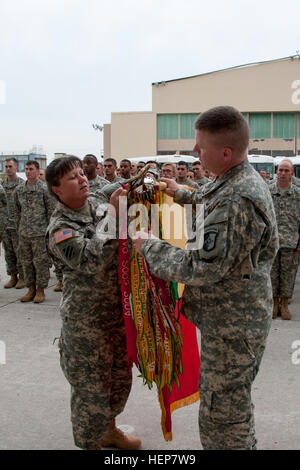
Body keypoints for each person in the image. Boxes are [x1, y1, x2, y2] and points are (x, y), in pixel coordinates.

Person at [133, 106, 278, 450]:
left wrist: (149, 247)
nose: (195, 153)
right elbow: (206, 196)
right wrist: (177, 190)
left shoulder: (237, 198)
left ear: (225, 153)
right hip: (231, 321)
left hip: (233, 328)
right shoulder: (233, 180)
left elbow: (201, 267)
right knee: (232, 407)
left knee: (223, 420)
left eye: (200, 147)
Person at [45, 156, 141, 451]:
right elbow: (91, 259)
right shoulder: (60, 230)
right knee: (91, 393)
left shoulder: (97, 201)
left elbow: (123, 185)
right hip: (87, 326)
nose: (83, 178)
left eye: (81, 173)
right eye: (72, 178)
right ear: (57, 190)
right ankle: (91, 444)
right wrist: (114, 215)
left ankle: (109, 431)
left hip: (117, 316)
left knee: (118, 382)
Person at [14, 160, 53, 303]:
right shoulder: (19, 190)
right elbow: (17, 211)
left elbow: (50, 211)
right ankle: (30, 288)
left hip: (40, 233)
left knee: (40, 262)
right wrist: (19, 229)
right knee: (26, 261)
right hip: (24, 232)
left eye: (31, 169)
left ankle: (40, 290)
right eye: (26, 169)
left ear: (37, 171)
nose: (28, 172)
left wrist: (49, 232)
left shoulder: (44, 189)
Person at [269, 159, 300, 320]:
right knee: (272, 274)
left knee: (288, 274)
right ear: (276, 172)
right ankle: (274, 303)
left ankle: (284, 304)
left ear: (292, 173)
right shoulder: (268, 191)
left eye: (286, 171)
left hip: (291, 242)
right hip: (271, 242)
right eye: (280, 170)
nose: (283, 173)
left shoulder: (297, 194)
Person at [1, 158, 25, 289]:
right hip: (5, 224)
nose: (8, 169)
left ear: (16, 168)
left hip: (17, 224)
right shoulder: (2, 185)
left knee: (19, 251)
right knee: (8, 252)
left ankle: (22, 276)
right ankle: (13, 276)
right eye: (6, 166)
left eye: (10, 166)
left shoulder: (21, 185)